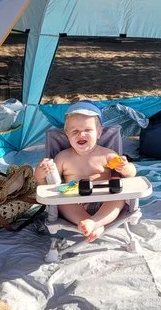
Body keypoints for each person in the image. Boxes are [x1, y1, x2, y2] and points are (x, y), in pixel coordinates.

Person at [34, 101, 136, 242]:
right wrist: (41, 171)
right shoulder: (63, 157)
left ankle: (94, 222)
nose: (81, 134)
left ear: (99, 132)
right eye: (75, 131)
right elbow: (46, 183)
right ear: (67, 134)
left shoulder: (107, 154)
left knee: (119, 198)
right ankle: (92, 223)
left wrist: (125, 168)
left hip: (104, 199)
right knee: (61, 201)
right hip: (75, 202)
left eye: (88, 130)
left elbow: (131, 174)